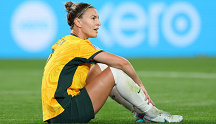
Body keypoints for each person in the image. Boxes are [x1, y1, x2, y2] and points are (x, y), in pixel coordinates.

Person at [41, 1, 183, 123]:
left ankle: (139, 112)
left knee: (102, 67)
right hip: (66, 113)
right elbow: (123, 63)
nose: (99, 23)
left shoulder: (66, 41)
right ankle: (153, 114)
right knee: (115, 71)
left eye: (98, 18)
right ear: (78, 22)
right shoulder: (79, 45)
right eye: (93, 18)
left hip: (55, 113)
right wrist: (140, 85)